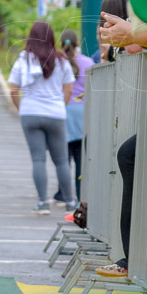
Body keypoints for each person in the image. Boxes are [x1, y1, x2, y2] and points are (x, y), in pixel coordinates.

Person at [8, 21, 76, 215]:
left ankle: (43, 203)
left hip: (30, 113)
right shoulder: (61, 60)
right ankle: (70, 202)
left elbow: (13, 89)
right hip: (55, 113)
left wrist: (22, 108)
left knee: (38, 159)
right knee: (61, 160)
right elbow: (69, 88)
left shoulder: (23, 59)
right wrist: (60, 105)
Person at [56, 29, 93, 203]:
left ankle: (63, 193)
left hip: (65, 112)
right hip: (83, 113)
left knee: (63, 158)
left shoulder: (58, 63)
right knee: (80, 159)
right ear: (77, 43)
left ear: (62, 44)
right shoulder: (88, 62)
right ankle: (80, 197)